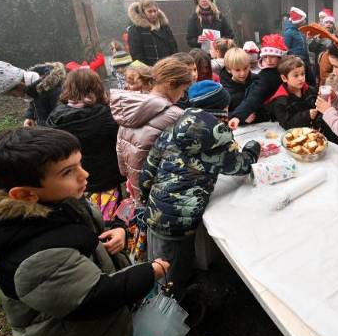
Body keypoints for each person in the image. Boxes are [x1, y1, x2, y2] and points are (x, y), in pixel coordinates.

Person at [0, 127, 169, 336]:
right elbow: (92, 299)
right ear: (25, 195)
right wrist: (149, 272)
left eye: (80, 163)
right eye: (68, 172)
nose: (85, 174)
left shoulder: (55, 201)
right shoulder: (36, 257)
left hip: (100, 334)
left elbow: (85, 230)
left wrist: (116, 230)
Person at [140, 80, 261, 301]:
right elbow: (240, 166)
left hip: (156, 208)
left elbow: (149, 168)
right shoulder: (218, 138)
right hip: (179, 222)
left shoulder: (173, 127)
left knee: (157, 263)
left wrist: (148, 197)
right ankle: (171, 308)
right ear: (222, 108)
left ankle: (164, 297)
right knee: (173, 271)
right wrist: (253, 148)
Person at [47, 68, 125, 222]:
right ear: (97, 87)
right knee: (109, 217)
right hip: (106, 178)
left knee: (84, 215)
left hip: (73, 180)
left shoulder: (55, 118)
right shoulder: (106, 115)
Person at [110, 57, 190, 198]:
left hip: (137, 187)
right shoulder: (175, 115)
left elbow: (120, 156)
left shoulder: (128, 110)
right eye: (183, 89)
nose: (183, 95)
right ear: (171, 84)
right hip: (165, 192)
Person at [228, 34, 287, 129]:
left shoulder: (286, 70)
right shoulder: (264, 76)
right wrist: (238, 116)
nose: (268, 60)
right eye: (265, 56)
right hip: (267, 122)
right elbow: (254, 97)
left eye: (273, 56)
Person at [0, 61, 66, 127]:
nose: (17, 97)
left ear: (19, 85)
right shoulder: (33, 88)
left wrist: (44, 131)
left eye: (14, 95)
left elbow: (63, 119)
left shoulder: (54, 91)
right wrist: (30, 117)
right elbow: (34, 104)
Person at [266, 56, 318, 129]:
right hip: (294, 133)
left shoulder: (311, 91)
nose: (301, 78)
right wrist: (306, 115)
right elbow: (286, 124)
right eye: (296, 75)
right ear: (284, 78)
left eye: (302, 74)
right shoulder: (280, 101)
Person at [127, 0, 178, 66]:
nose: (153, 14)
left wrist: (175, 64)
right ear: (143, 12)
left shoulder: (164, 27)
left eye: (155, 11)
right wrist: (147, 70)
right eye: (149, 11)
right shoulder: (136, 30)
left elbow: (174, 48)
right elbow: (136, 55)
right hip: (150, 69)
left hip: (168, 67)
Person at [283, 7, 315, 85]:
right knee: (304, 79)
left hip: (304, 58)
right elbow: (286, 48)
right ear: (297, 22)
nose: (305, 22)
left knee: (310, 79)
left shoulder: (299, 30)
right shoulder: (289, 32)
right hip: (296, 60)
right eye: (303, 20)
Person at [220, 47, 256, 112]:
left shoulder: (257, 81)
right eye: (237, 70)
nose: (242, 73)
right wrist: (238, 116)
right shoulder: (224, 93)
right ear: (229, 69)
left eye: (245, 68)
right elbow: (223, 114)